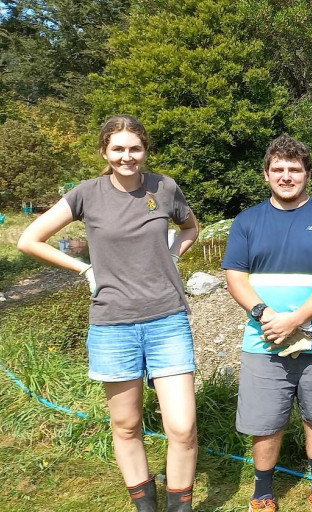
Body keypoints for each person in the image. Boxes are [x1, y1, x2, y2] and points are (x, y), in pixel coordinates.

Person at [17, 115, 199, 512]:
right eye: (117, 148)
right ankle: (146, 506)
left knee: (182, 427)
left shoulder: (164, 188)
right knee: (127, 425)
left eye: (135, 148)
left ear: (145, 150)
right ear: (105, 151)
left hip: (167, 318)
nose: (127, 156)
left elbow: (190, 228)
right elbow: (29, 240)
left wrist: (172, 253)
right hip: (112, 324)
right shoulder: (86, 194)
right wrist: (84, 269)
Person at [222, 134, 312, 512]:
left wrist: (296, 320)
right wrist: (265, 315)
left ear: (307, 175)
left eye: (294, 170)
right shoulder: (247, 222)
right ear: (266, 174)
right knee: (265, 420)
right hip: (263, 341)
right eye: (278, 169)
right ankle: (262, 494)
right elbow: (235, 277)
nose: (286, 176)